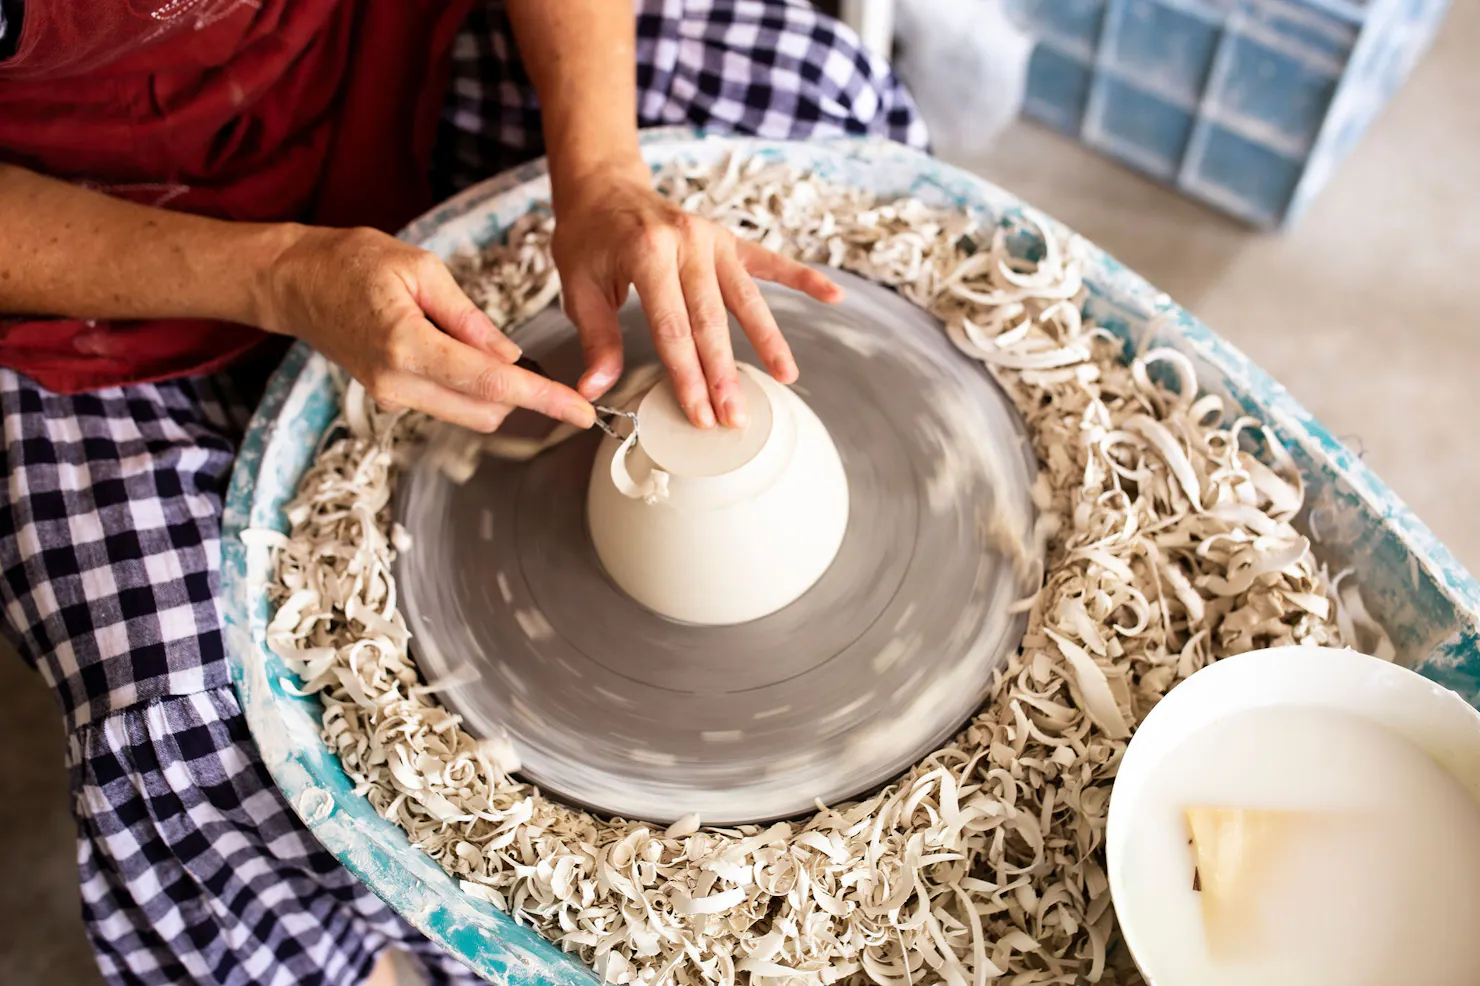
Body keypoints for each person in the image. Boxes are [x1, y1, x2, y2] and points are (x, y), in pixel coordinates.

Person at [0, 1, 926, 984]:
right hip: (73, 217)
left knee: (809, 83)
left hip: (356, 43)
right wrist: (277, 273)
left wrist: (604, 169)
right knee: (175, 695)